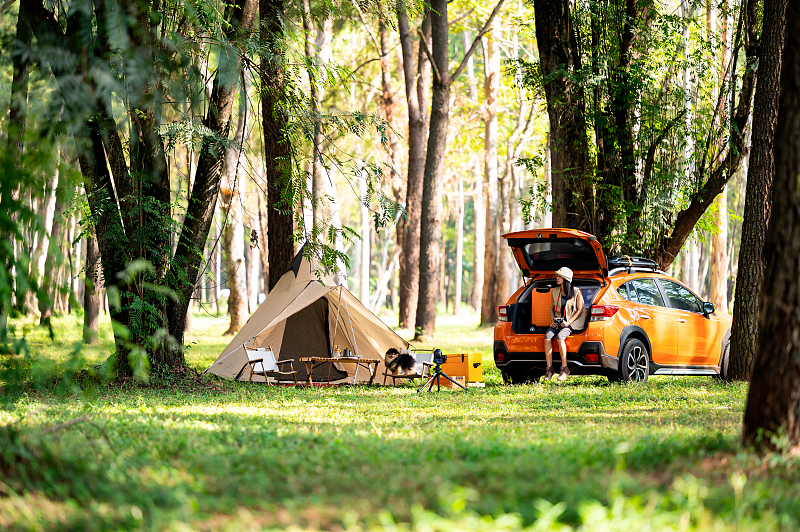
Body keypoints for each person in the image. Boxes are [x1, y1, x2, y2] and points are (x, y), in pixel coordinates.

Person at [543, 267, 586, 382]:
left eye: (559, 276)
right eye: (557, 276)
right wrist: (552, 321)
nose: (557, 278)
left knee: (560, 337)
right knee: (547, 338)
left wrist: (568, 323)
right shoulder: (555, 291)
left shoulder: (576, 292)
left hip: (572, 322)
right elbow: (551, 309)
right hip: (557, 322)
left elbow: (580, 310)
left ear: (565, 279)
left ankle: (564, 368)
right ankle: (549, 369)